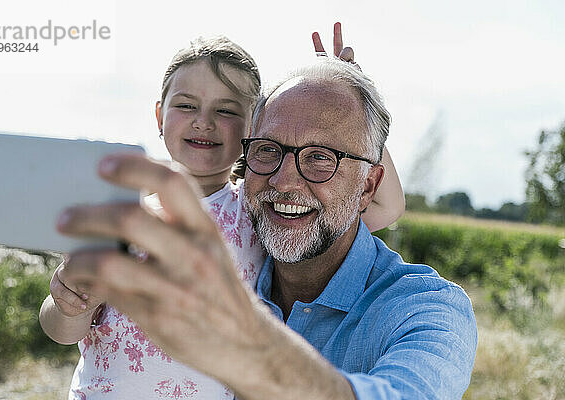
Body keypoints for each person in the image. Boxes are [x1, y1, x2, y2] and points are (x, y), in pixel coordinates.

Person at [55, 56, 477, 399]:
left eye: (320, 156)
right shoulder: (241, 238)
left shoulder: (425, 309)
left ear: (368, 185)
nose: (285, 182)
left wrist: (249, 344)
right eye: (268, 150)